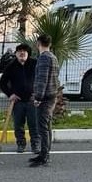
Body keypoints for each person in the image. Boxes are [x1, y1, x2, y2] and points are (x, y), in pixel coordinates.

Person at [0, 44, 39, 153]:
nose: (22, 53)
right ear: (16, 53)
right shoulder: (11, 66)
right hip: (17, 101)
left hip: (32, 100)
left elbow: (41, 80)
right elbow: (2, 83)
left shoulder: (35, 64)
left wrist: (38, 94)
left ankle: (36, 144)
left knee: (34, 124)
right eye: (19, 51)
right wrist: (10, 94)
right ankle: (21, 144)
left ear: (28, 53)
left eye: (24, 51)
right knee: (18, 125)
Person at [30, 34, 59, 167]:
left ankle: (44, 156)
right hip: (52, 94)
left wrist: (38, 98)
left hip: (45, 97)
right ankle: (44, 152)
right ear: (50, 44)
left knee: (43, 127)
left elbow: (42, 79)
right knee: (47, 126)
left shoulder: (43, 58)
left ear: (38, 43)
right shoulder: (53, 57)